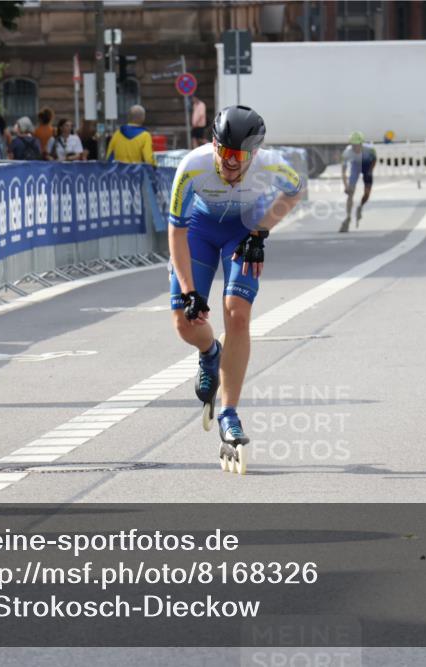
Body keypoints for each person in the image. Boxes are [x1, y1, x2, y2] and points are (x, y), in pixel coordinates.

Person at [167, 105, 304, 472]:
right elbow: (177, 232)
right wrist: (189, 290)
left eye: (239, 157)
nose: (230, 163)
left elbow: (296, 190)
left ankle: (229, 414)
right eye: (224, 153)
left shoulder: (271, 165)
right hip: (199, 231)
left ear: (255, 154)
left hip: (243, 231)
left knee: (238, 316)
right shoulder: (192, 166)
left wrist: (261, 232)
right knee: (184, 322)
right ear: (213, 144)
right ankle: (210, 352)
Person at [339, 131, 376, 232]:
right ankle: (348, 217)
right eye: (353, 145)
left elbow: (374, 159)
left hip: (366, 166)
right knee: (350, 193)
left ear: (361, 144)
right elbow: (343, 171)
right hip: (355, 166)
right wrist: (346, 186)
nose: (355, 148)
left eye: (357, 145)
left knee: (367, 193)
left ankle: (360, 206)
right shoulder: (347, 152)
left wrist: (370, 170)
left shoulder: (369, 149)